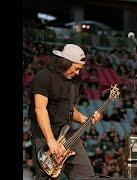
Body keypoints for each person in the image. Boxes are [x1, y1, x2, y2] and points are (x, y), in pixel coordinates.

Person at [28, 44, 103, 179]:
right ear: (65, 63)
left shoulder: (73, 82)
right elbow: (40, 109)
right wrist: (51, 141)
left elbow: (70, 109)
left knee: (86, 175)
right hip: (44, 136)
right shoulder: (44, 76)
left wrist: (86, 119)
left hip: (67, 135)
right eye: (76, 68)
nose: (78, 72)